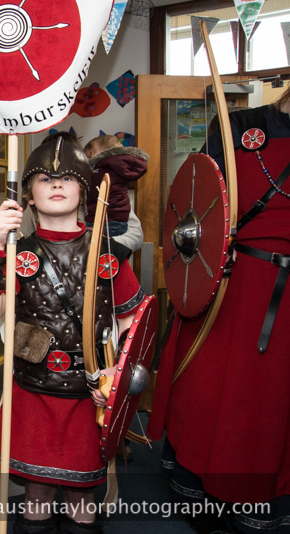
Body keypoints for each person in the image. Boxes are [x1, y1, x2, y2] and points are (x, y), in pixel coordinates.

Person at [0, 132, 145, 534]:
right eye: (45, 177)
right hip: (34, 391)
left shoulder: (107, 253)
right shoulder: (18, 252)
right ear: (29, 195)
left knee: (81, 497)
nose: (56, 183)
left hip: (88, 396)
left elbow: (131, 322)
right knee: (36, 494)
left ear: (84, 191)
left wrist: (115, 374)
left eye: (68, 177)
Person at [147, 87, 290, 533]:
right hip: (231, 286)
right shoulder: (240, 127)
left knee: (272, 406)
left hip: (285, 306)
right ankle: (201, 494)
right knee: (210, 394)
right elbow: (195, 206)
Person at [82, 135, 148, 237]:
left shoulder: (102, 172)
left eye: (90, 156)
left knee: (98, 247)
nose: (88, 162)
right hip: (120, 220)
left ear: (102, 154)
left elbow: (92, 193)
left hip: (104, 220)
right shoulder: (119, 168)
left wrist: (81, 193)